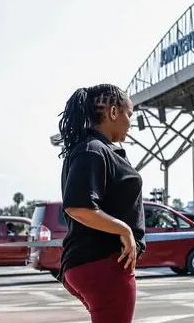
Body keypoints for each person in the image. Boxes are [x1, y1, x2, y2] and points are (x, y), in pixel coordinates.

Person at [57, 84, 145, 323]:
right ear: (113, 113)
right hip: (104, 264)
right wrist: (124, 230)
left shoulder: (94, 149)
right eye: (129, 114)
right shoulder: (92, 150)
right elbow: (77, 206)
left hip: (93, 263)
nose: (130, 122)